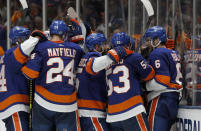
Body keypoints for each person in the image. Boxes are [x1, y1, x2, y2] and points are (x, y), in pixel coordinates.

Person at [21, 20, 83, 131]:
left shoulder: (41, 47)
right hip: (67, 103)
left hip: (43, 102)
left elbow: (30, 74)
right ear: (65, 34)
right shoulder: (76, 49)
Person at [87, 32, 155, 131]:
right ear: (129, 45)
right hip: (132, 110)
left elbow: (90, 68)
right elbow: (150, 74)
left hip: (113, 115)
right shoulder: (134, 57)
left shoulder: (106, 62)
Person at [0, 26, 40, 131]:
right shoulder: (14, 54)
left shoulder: (5, 55)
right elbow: (26, 47)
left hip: (9, 104)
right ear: (19, 40)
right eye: (26, 37)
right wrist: (38, 37)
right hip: (14, 105)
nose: (28, 40)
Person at [144, 26, 183, 131]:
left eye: (150, 39)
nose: (148, 42)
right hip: (174, 99)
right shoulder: (174, 53)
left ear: (157, 39)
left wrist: (145, 86)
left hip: (161, 100)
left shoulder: (157, 53)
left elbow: (162, 82)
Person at [76, 33, 109, 131]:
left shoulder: (83, 58)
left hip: (81, 109)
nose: (106, 46)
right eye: (103, 44)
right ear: (96, 46)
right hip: (92, 110)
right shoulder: (96, 59)